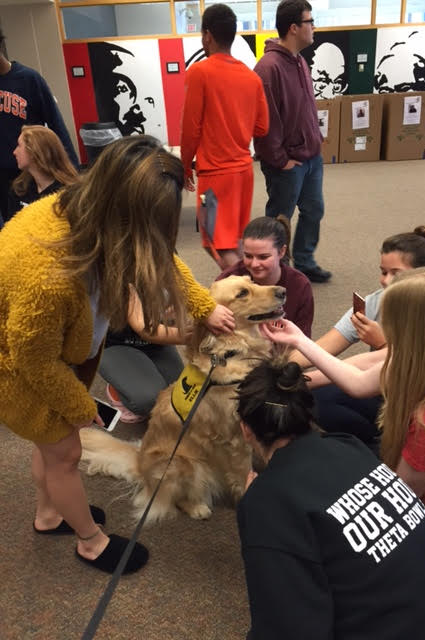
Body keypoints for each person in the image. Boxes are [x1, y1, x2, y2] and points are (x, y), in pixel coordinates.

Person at [0, 135, 234, 575]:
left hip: (52, 350)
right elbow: (34, 361)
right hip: (17, 368)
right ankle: (91, 542)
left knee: (50, 451)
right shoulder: (47, 274)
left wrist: (205, 305)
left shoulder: (85, 205)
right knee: (66, 454)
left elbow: (159, 255)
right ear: (123, 214)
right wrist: (80, 407)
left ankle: (50, 516)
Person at [236, 359, 425, 640]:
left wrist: (258, 503)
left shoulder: (266, 502)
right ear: (308, 415)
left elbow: (287, 628)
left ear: (246, 429)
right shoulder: (349, 446)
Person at [261, 266, 425, 554]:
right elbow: (359, 381)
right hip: (416, 490)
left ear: (417, 331)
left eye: (393, 323)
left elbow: (398, 499)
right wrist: (299, 341)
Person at [291, 226, 425, 445]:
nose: (385, 281)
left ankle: (376, 447)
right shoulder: (375, 302)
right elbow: (323, 347)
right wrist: (280, 369)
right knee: (315, 399)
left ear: (423, 275)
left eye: (396, 274)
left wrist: (381, 343)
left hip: (417, 395)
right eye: (383, 271)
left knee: (326, 402)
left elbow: (401, 366)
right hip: (376, 382)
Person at [180, 4, 269, 269]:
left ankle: (247, 291)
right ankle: (250, 287)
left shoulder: (199, 72)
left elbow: (190, 128)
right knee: (235, 240)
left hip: (213, 179)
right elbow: (262, 128)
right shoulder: (250, 77)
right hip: (243, 173)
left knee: (212, 241)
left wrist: (185, 168)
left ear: (207, 35)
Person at [254, 0, 331, 284]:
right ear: (294, 27)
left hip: (311, 157)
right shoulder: (268, 68)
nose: (314, 28)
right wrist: (279, 160)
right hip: (286, 162)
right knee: (279, 218)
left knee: (313, 210)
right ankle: (276, 269)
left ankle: (305, 261)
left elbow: (303, 108)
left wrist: (316, 138)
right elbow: (264, 123)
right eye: (310, 22)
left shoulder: (299, 61)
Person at [0, 28, 78, 225]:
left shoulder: (28, 79)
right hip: (2, 177)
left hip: (30, 172)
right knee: (12, 229)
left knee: (47, 224)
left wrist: (73, 174)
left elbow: (57, 126)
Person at [99, 287, 186, 424]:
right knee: (151, 402)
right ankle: (117, 388)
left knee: (183, 394)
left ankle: (135, 378)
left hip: (154, 340)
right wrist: (194, 336)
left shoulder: (166, 270)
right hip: (115, 344)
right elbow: (144, 327)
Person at [216, 216, 314, 336]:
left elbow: (303, 341)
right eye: (248, 256)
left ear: (282, 252)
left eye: (263, 257)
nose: (254, 264)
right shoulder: (227, 280)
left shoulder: (300, 285)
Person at [6, 125, 78, 222]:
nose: (15, 152)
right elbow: (10, 230)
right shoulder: (19, 190)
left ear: (34, 150)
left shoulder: (68, 193)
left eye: (19, 145)